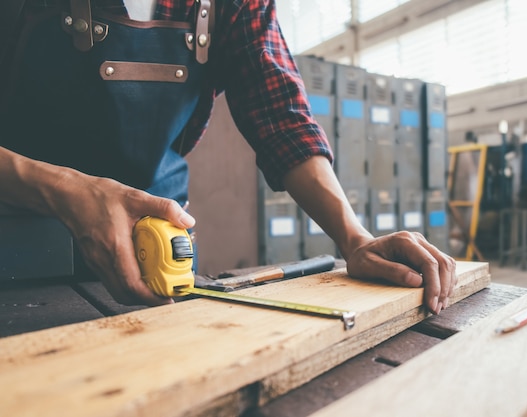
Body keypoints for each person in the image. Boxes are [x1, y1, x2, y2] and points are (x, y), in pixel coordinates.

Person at [0, 0, 456, 314]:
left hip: (156, 247)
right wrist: (63, 189)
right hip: (17, 250)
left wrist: (354, 238)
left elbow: (281, 115)